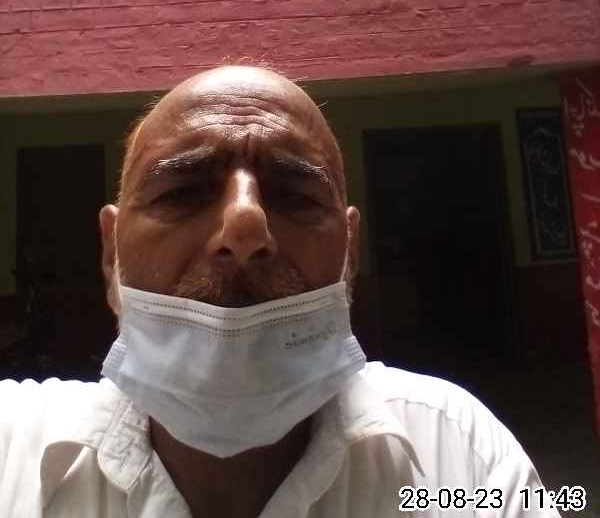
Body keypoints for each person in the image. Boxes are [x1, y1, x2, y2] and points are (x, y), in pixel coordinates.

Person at [0, 65, 561, 517]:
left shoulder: (460, 456)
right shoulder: (10, 450)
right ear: (111, 254)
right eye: (181, 191)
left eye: (295, 194)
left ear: (350, 254)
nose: (245, 225)